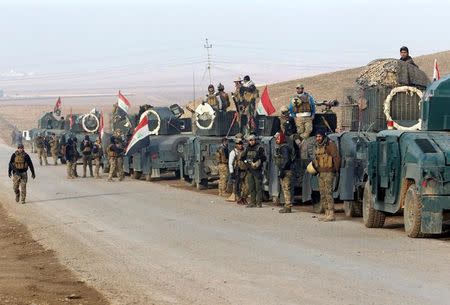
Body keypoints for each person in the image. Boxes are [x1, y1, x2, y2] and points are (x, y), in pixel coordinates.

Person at [313, 130, 341, 222]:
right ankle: (326, 213)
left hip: (329, 172)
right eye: (317, 137)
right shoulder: (317, 146)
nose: (318, 138)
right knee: (322, 193)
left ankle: (331, 213)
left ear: (323, 136)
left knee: (328, 193)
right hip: (320, 173)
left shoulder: (330, 145)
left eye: (320, 136)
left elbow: (336, 157)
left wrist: (335, 170)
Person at [241, 134, 266, 208]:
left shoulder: (259, 148)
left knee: (258, 187)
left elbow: (264, 158)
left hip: (257, 171)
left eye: (253, 140)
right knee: (251, 187)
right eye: (250, 140)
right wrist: (246, 161)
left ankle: (259, 203)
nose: (251, 141)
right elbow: (243, 157)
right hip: (249, 170)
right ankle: (252, 202)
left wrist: (257, 159)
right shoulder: (247, 148)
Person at [273, 132, 294, 213]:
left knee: (286, 188)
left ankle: (288, 206)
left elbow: (286, 159)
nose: (276, 140)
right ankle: (287, 205)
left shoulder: (284, 148)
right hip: (286, 170)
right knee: (285, 188)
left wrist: (282, 169)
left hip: (286, 171)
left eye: (278, 138)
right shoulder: (283, 147)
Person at [227, 137, 247, 204]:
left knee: (246, 186)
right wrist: (232, 172)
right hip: (237, 171)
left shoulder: (244, 151)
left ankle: (243, 197)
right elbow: (230, 163)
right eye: (238, 144)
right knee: (237, 185)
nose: (240, 145)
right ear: (236, 144)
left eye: (241, 144)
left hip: (244, 170)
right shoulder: (233, 152)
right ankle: (239, 198)